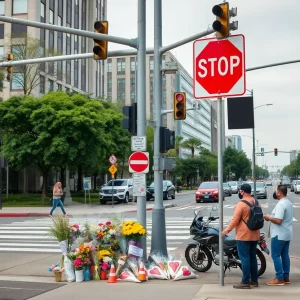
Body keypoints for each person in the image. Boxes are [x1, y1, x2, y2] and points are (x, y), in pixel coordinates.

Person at [221, 183, 260, 289]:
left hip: (244, 235)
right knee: (252, 257)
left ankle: (245, 282)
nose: (239, 192)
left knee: (245, 258)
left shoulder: (241, 204)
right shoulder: (256, 202)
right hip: (255, 234)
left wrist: (226, 231)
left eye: (240, 191)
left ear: (242, 191)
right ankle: (254, 281)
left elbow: (235, 220)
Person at [264, 185, 293, 286]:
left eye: (276, 191)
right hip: (287, 233)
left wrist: (269, 217)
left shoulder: (281, 205)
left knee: (275, 255)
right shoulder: (288, 203)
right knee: (285, 255)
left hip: (279, 234)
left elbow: (279, 220)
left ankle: (279, 278)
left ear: (279, 193)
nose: (275, 193)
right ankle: (286, 277)